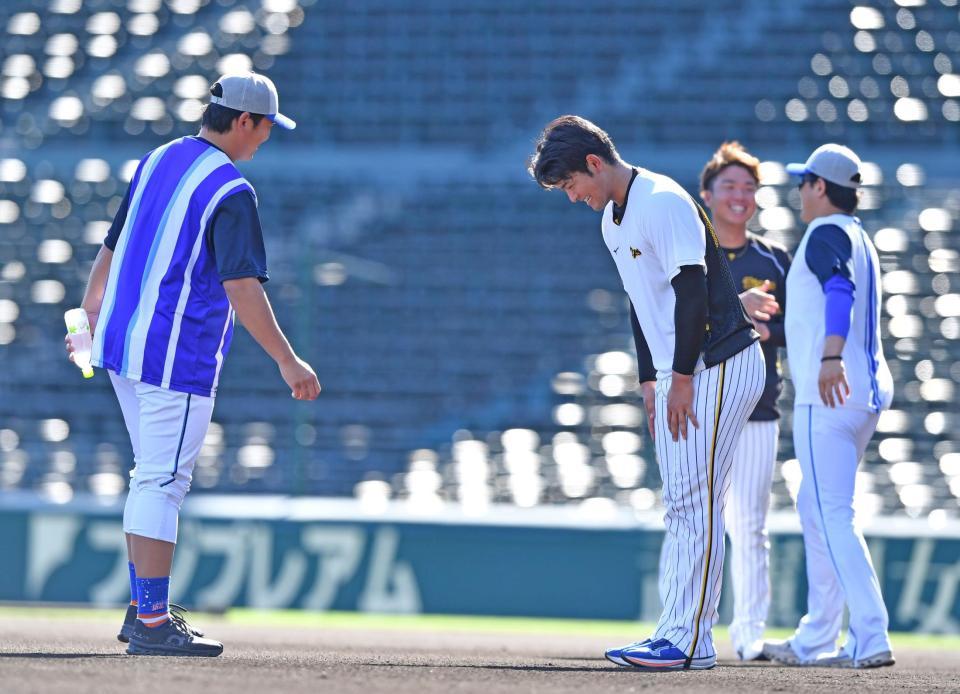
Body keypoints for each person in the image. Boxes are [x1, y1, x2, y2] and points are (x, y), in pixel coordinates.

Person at [66, 72, 321, 656]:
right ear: (244, 121)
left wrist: (86, 315)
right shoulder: (230, 189)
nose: (264, 140)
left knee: (147, 476)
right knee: (161, 481)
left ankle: (142, 612)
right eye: (264, 128)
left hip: (122, 347)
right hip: (174, 354)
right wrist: (287, 359)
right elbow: (241, 286)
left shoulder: (160, 158)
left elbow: (112, 242)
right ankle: (152, 622)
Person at [528, 116, 765, 671]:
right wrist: (651, 381)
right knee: (683, 501)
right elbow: (642, 303)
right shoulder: (613, 220)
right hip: (688, 370)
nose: (572, 198)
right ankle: (679, 633)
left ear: (593, 162)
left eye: (570, 185)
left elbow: (693, 294)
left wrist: (680, 376)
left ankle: (686, 642)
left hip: (720, 363)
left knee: (697, 500)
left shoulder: (660, 200)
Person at [762, 144, 895, 669]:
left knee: (832, 513)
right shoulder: (859, 236)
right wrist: (772, 331)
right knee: (815, 508)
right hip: (863, 393)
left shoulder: (824, 233)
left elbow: (838, 290)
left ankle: (869, 633)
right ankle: (817, 635)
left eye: (805, 181)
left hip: (831, 393)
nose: (799, 189)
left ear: (821, 186)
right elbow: (824, 305)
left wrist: (830, 355)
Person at [699, 142, 791, 662]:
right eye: (730, 186)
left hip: (756, 408)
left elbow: (794, 331)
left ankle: (749, 634)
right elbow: (671, 321)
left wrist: (763, 327)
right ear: (707, 194)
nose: (740, 196)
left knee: (750, 525)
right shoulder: (690, 251)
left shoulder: (774, 259)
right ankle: (686, 623)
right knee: (694, 518)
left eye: (749, 187)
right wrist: (738, 310)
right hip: (701, 405)